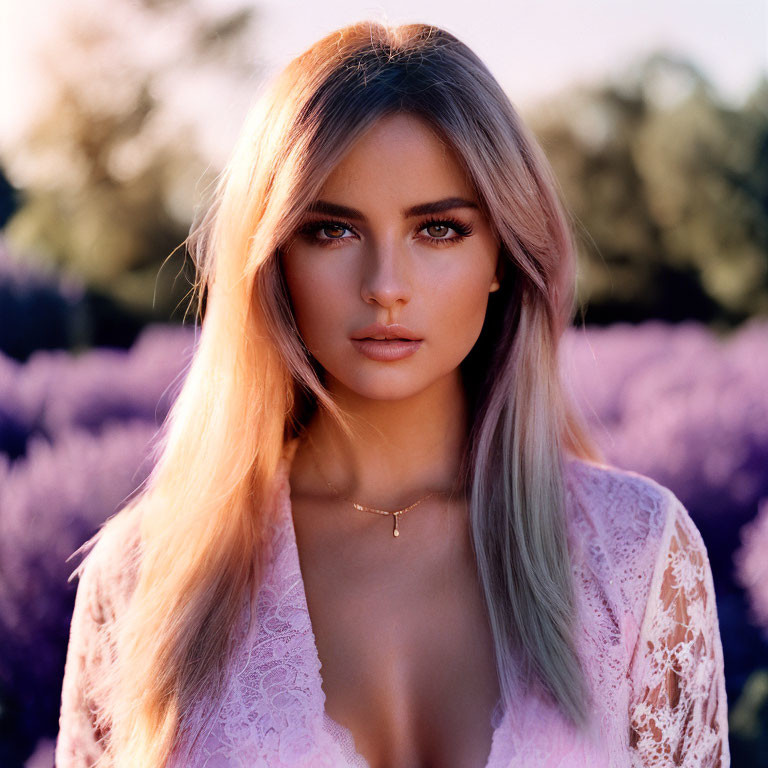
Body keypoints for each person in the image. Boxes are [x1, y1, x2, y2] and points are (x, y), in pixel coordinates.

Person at [55, 20, 730, 768]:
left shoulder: (635, 556)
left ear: (503, 253)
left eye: (437, 229)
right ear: (273, 257)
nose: (385, 287)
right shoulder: (145, 575)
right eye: (331, 232)